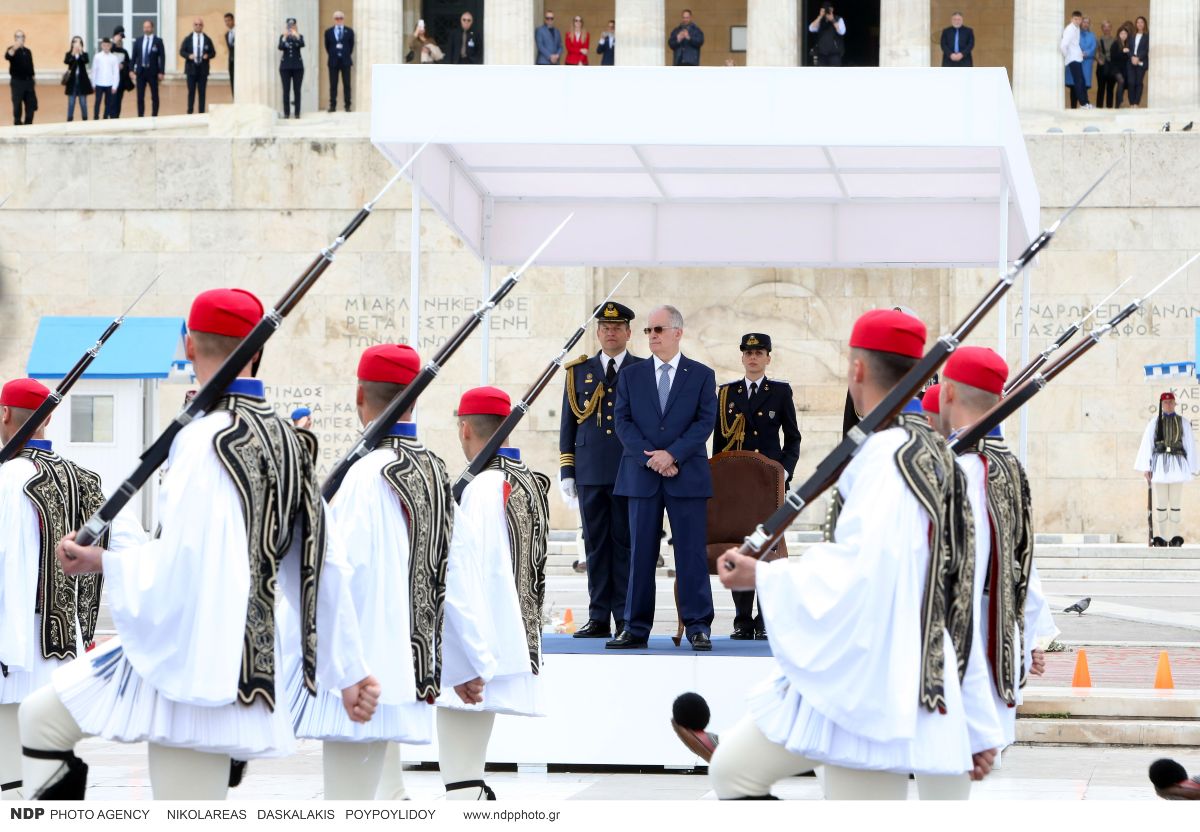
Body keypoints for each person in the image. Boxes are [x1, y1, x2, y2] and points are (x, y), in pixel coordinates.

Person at [17, 288, 379, 800]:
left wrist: (105, 563)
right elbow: (322, 565)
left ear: (188, 346)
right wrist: (350, 669)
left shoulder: (203, 439)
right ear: (256, 350)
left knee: (169, 798)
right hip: (237, 655)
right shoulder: (287, 441)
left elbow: (185, 563)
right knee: (40, 721)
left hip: (194, 657)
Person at [709, 309, 985, 800]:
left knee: (734, 774)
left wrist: (766, 577)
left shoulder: (885, 457)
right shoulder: (941, 454)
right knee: (732, 770)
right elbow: (965, 585)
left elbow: (864, 571)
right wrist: (977, 711)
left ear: (857, 369)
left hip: (874, 675)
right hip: (928, 670)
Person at [288, 344, 452, 800]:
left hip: (360, 671)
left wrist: (344, 668)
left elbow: (342, 576)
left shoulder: (366, 475)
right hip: (409, 665)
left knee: (347, 805)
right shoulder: (433, 469)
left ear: (360, 396)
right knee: (382, 796)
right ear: (414, 399)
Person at [0, 379, 143, 800]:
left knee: (11, 780)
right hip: (66, 653)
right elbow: (132, 549)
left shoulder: (5, 479)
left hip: (10, 653)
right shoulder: (87, 480)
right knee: (47, 771)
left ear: (5, 415)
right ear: (49, 419)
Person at [438, 386, 550, 800]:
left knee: (460, 769)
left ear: (465, 428)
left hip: (480, 636)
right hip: (514, 629)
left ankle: (467, 799)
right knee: (467, 757)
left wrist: (465, 645)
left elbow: (472, 571)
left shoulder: (484, 487)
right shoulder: (525, 480)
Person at [938, 347, 1048, 762]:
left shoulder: (965, 467)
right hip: (998, 622)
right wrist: (1030, 633)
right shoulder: (1009, 464)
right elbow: (1025, 560)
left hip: (964, 629)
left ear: (947, 392)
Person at [608, 305, 716, 652]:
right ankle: (635, 627)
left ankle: (698, 625)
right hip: (642, 475)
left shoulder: (701, 375)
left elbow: (704, 422)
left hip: (686, 475)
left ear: (677, 333)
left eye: (658, 329)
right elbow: (622, 422)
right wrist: (654, 458)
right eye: (648, 331)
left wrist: (673, 455)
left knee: (691, 554)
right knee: (640, 553)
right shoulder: (631, 376)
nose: (652, 335)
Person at [559, 302, 645, 640]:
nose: (611, 332)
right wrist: (568, 470)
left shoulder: (642, 369)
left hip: (628, 469)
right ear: (598, 333)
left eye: (617, 327)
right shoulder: (578, 371)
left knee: (624, 545)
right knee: (595, 545)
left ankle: (624, 617)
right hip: (591, 470)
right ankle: (598, 617)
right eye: (605, 327)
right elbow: (569, 424)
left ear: (628, 333)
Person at [713, 333, 801, 641]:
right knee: (741, 547)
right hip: (736, 486)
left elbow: (793, 438)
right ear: (741, 357)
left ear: (768, 358)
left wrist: (784, 472)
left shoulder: (779, 392)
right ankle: (742, 619)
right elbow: (719, 443)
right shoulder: (726, 393)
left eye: (759, 352)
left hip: (767, 487)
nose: (753, 357)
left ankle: (765, 618)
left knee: (767, 549)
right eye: (748, 352)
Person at [1136, 391, 1197, 547]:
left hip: (1178, 466)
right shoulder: (1154, 423)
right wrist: (1146, 467)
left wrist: (1192, 467)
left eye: (1171, 402)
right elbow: (1147, 445)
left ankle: (1175, 536)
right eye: (1165, 403)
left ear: (1175, 404)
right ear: (1161, 405)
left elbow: (1190, 445)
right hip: (1159, 468)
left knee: (1175, 504)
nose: (1168, 405)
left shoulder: (1183, 422)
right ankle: (1163, 537)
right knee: (1161, 505)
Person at [180, 18, 216, 115]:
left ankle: (201, 112)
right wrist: (188, 56)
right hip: (191, 69)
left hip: (203, 69)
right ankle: (190, 111)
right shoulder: (188, 39)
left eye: (200, 24)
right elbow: (182, 51)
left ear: (202, 26)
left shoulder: (207, 39)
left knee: (202, 92)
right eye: (196, 24)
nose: (198, 26)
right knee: (191, 91)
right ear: (193, 25)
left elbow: (213, 53)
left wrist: (208, 55)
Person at [131, 19, 164, 118]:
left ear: (152, 28)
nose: (146, 29)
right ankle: (140, 116)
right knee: (140, 96)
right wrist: (131, 70)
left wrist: (161, 71)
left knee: (155, 96)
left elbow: (162, 57)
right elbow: (134, 56)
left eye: (148, 27)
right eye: (145, 27)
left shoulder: (158, 41)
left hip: (153, 72)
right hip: (141, 72)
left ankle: (154, 116)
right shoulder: (138, 40)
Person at [324, 11, 353, 113]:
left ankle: (348, 105)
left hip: (345, 61)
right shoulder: (328, 32)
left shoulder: (349, 31)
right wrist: (334, 53)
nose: (339, 20)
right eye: (337, 18)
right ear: (334, 19)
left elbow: (351, 46)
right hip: (333, 61)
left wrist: (344, 53)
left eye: (340, 18)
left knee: (347, 84)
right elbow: (327, 46)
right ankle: (332, 105)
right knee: (333, 85)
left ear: (343, 19)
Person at [1061, 11, 1091, 109]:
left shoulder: (1077, 28)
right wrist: (1068, 56)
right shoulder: (1069, 29)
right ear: (1071, 19)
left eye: (1079, 19)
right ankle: (1083, 104)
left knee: (1082, 81)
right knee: (1078, 81)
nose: (1077, 21)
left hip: (1077, 58)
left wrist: (1078, 53)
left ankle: (1086, 103)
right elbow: (1063, 45)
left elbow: (1075, 44)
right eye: (1075, 19)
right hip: (1073, 59)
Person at [5, 30, 36, 125]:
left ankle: (28, 124)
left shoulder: (28, 51)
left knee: (31, 106)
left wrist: (33, 79)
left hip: (29, 82)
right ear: (15, 38)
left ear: (24, 38)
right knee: (17, 105)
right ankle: (17, 124)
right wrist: (15, 47)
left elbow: (31, 65)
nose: (20, 39)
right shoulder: (12, 50)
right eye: (18, 37)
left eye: (22, 36)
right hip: (17, 82)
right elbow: (7, 56)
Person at [278, 19, 304, 119]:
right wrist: (284, 36)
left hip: (298, 67)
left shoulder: (299, 37)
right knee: (286, 90)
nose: (290, 28)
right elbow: (280, 47)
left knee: (297, 90)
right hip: (285, 67)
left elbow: (302, 44)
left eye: (292, 26)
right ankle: (287, 113)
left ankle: (297, 113)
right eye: (289, 26)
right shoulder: (283, 37)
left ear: (295, 27)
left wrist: (296, 35)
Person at [90, 38, 121, 119]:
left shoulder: (114, 57)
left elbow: (116, 73)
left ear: (110, 46)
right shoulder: (97, 56)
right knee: (97, 101)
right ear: (101, 46)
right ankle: (96, 117)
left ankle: (105, 117)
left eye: (108, 45)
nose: (106, 47)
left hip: (109, 83)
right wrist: (93, 84)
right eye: (104, 45)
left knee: (108, 102)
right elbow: (94, 70)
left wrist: (115, 86)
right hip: (99, 83)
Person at [63, 36, 92, 122]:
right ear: (72, 44)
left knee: (83, 103)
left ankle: (85, 119)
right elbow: (66, 61)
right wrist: (73, 53)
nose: (77, 44)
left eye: (79, 42)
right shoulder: (69, 54)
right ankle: (69, 119)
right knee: (71, 103)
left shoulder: (84, 54)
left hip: (82, 81)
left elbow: (86, 61)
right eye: (75, 42)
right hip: (72, 82)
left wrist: (81, 52)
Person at [108, 27, 132, 118]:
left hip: (121, 81)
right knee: (111, 101)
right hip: (110, 81)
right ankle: (110, 118)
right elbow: (107, 54)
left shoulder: (124, 51)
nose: (120, 40)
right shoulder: (110, 48)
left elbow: (129, 63)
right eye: (119, 37)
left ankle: (116, 118)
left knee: (118, 101)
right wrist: (114, 42)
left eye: (121, 38)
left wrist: (123, 65)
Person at [1109, 24, 1132, 107]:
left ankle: (1118, 105)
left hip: (1124, 69)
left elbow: (1129, 57)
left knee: (1122, 84)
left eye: (1125, 34)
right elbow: (1113, 57)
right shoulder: (1115, 43)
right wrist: (1123, 51)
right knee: (1121, 81)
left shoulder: (1128, 44)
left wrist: (1127, 52)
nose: (1123, 35)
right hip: (1115, 68)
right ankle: (1119, 102)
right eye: (1122, 33)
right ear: (1118, 34)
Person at [1095, 20, 1116, 108]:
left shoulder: (1115, 40)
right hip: (1102, 67)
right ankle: (1099, 108)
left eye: (1108, 26)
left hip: (1112, 67)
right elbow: (1095, 52)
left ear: (1111, 28)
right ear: (1102, 28)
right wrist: (1098, 59)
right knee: (1101, 89)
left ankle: (1109, 109)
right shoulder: (1098, 40)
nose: (1107, 28)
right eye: (1105, 27)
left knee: (1110, 90)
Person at [1128, 15, 1148, 107]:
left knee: (1138, 82)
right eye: (1138, 22)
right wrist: (1132, 57)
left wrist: (1138, 57)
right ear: (1136, 24)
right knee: (1131, 82)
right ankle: (1131, 103)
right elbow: (1128, 48)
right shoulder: (1132, 36)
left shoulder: (1147, 36)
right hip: (1131, 61)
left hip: (1141, 61)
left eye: (1142, 22)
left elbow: (1146, 49)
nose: (1139, 24)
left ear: (1144, 24)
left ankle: (1136, 103)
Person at [224, 13, 235, 97]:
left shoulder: (239, 32)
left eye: (228, 20)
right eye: (225, 21)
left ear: (233, 20)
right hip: (231, 61)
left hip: (239, 62)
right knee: (232, 81)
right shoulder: (227, 35)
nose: (227, 23)